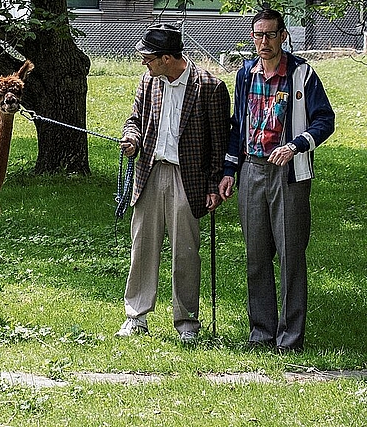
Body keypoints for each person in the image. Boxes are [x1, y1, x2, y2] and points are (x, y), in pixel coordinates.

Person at [218, 8, 335, 353]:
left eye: (270, 35)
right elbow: (237, 127)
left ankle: (290, 338)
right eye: (258, 35)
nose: (264, 42)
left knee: (290, 255)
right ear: (252, 37)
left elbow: (324, 121)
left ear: (283, 36)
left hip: (288, 173)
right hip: (251, 169)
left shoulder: (302, 74)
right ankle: (261, 333)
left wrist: (295, 145)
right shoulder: (244, 74)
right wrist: (229, 172)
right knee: (256, 256)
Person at [115, 23, 230, 343]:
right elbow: (135, 119)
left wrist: (212, 185)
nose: (143, 62)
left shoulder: (210, 86)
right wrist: (131, 138)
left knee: (185, 252)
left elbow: (219, 142)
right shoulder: (148, 81)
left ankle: (187, 324)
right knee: (142, 247)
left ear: (167, 58)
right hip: (150, 173)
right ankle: (136, 317)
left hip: (188, 178)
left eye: (148, 57)